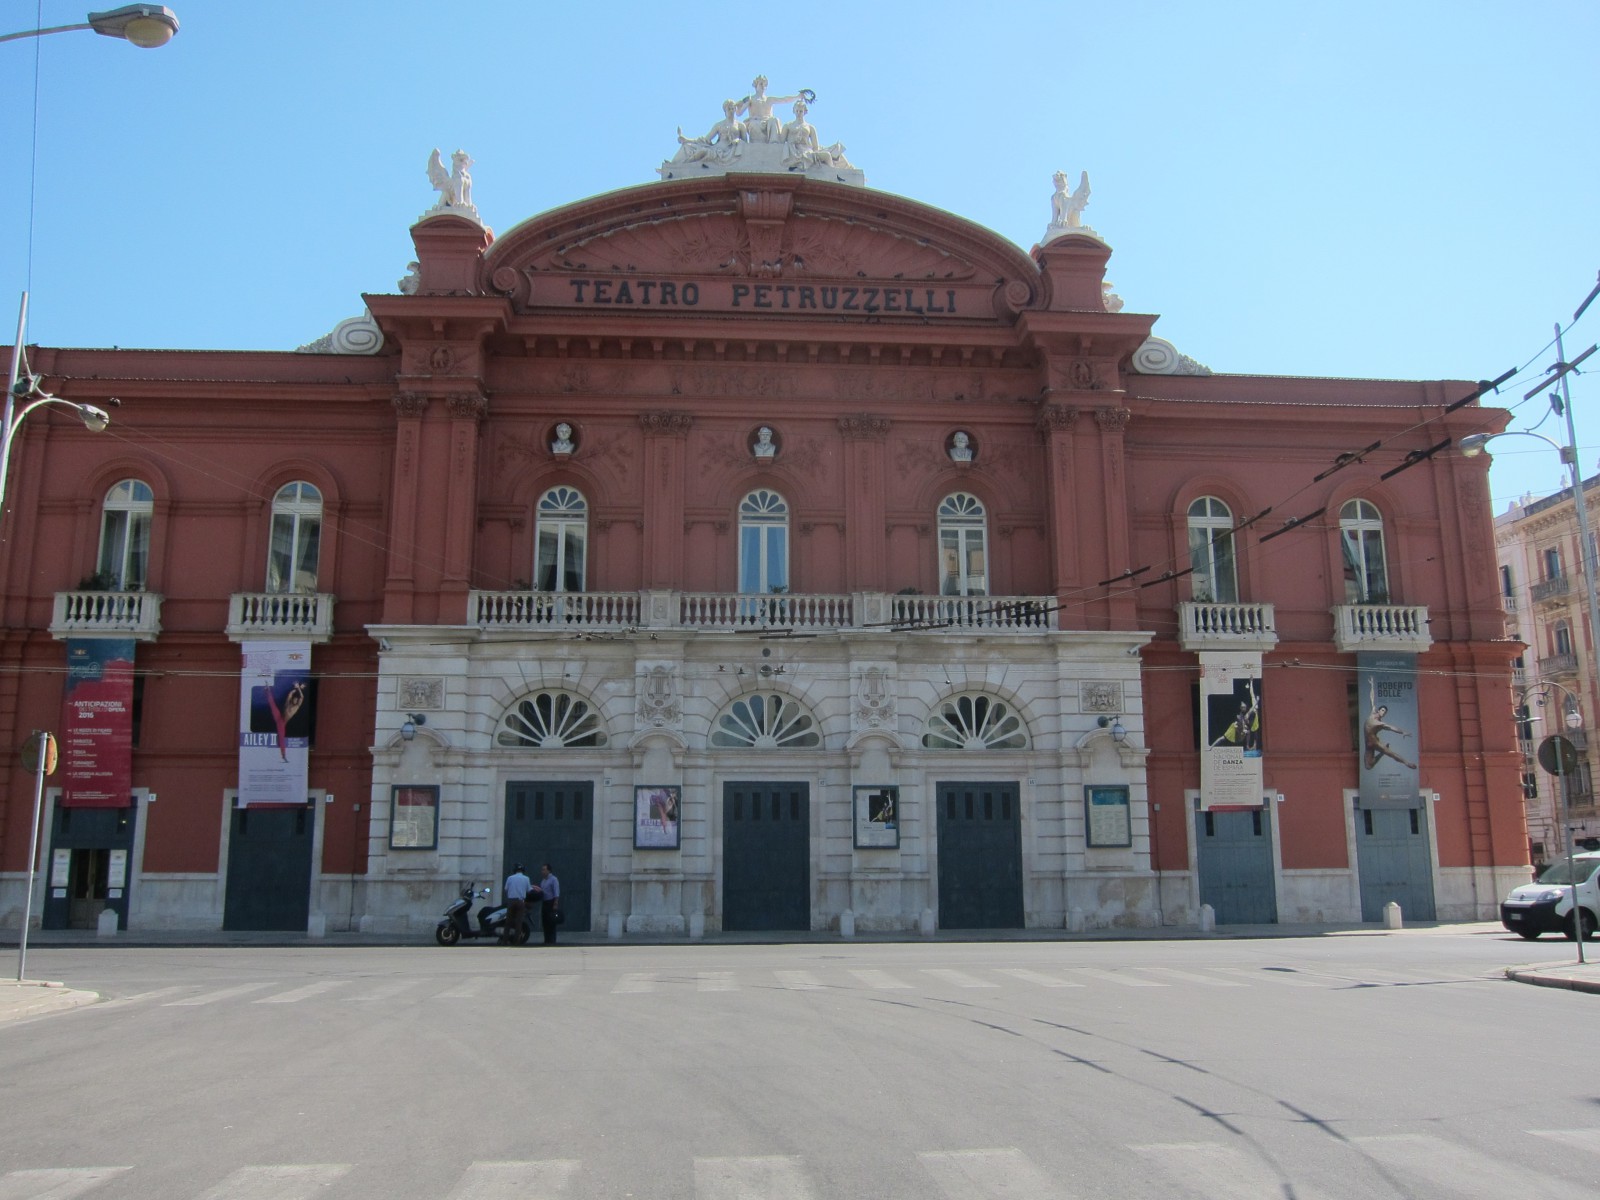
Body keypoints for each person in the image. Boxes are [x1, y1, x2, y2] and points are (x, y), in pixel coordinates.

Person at [1363, 677, 1417, 770]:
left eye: (1385, 712)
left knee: (1391, 753)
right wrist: (1372, 685)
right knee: (1368, 766)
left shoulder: (1381, 724)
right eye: (1382, 710)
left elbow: (1392, 728)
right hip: (1367, 743)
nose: (1383, 712)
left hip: (1374, 742)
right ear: (1379, 710)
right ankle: (1381, 754)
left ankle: (1407, 763)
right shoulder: (1373, 712)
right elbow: (1372, 697)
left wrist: (1402, 732)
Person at [503, 863, 532, 945]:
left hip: (511, 901)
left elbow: (506, 889)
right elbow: (529, 890)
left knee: (508, 922)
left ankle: (504, 941)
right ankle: (516, 942)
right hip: (520, 901)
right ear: (523, 870)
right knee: (519, 923)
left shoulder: (510, 878)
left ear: (515, 870)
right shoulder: (526, 878)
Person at [538, 862, 561, 944]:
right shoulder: (543, 880)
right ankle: (546, 940)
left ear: (549, 871)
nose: (542, 871)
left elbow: (556, 892)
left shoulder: (554, 879)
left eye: (544, 870)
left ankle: (552, 940)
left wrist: (555, 903)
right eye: (542, 870)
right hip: (545, 903)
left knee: (551, 922)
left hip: (551, 902)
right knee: (545, 922)